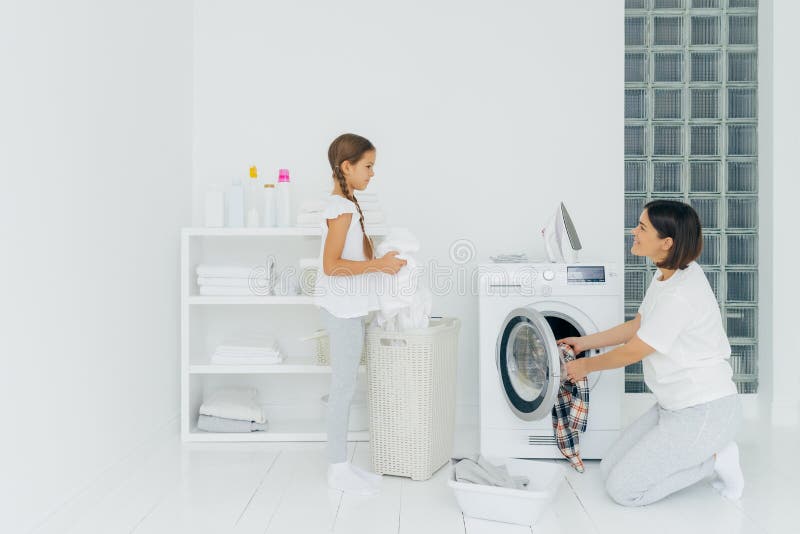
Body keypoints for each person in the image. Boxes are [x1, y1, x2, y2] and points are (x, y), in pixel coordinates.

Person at [561, 199, 744, 506]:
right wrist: (584, 342)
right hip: (672, 408)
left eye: (642, 227)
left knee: (624, 491)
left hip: (705, 411)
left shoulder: (681, 295)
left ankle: (718, 459)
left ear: (667, 243)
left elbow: (633, 351)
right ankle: (706, 453)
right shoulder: (668, 275)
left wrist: (585, 368)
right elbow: (638, 326)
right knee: (608, 469)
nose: (634, 231)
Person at [313, 133, 406, 495]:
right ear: (347, 167)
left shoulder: (347, 206)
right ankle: (337, 469)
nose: (372, 173)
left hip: (347, 308)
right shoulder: (341, 209)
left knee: (347, 385)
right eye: (368, 166)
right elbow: (331, 266)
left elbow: (352, 258)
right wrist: (379, 265)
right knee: (343, 388)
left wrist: (380, 261)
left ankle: (342, 465)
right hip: (341, 309)